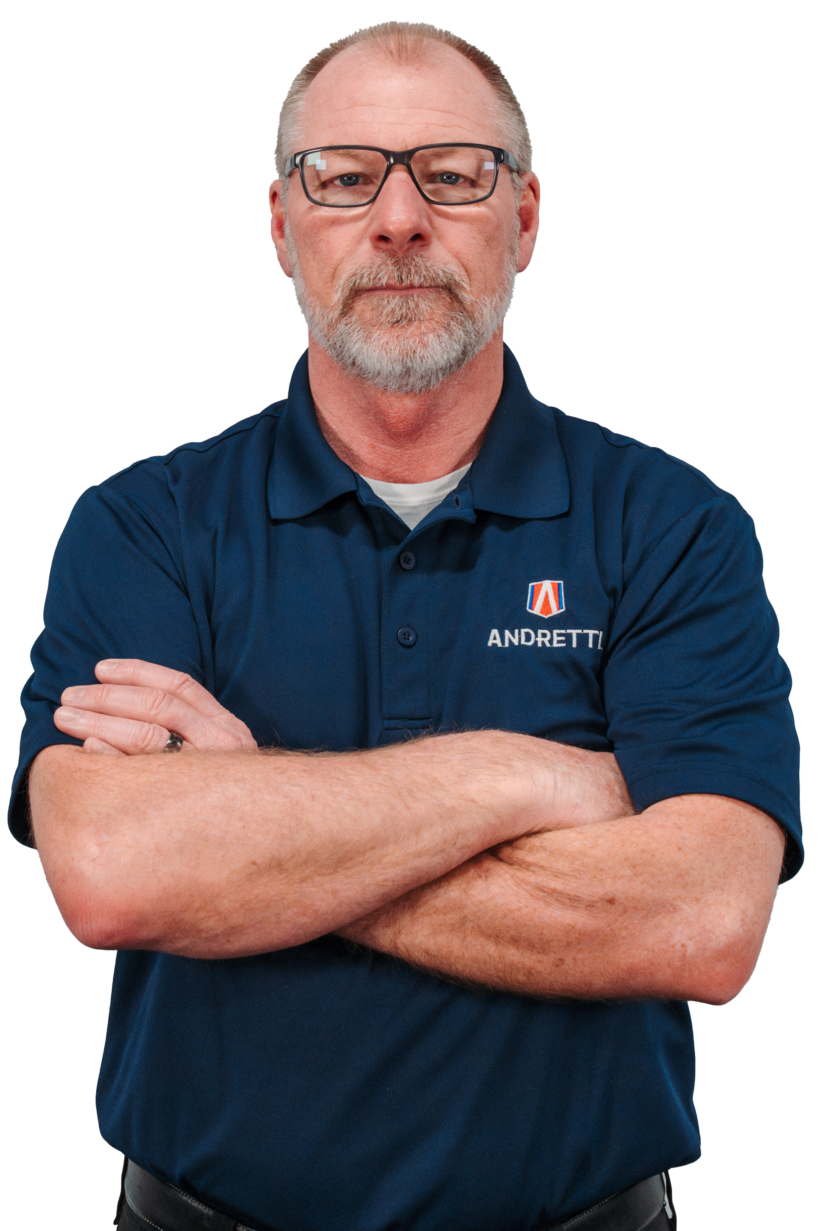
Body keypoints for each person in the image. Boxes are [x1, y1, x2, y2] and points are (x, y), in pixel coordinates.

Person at [8, 21, 802, 1231]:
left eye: (453, 173)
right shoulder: (144, 525)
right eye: (342, 176)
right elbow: (115, 874)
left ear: (522, 219)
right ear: (283, 225)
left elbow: (698, 923)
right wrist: (529, 777)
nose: (397, 220)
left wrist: (248, 824)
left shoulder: (670, 528)